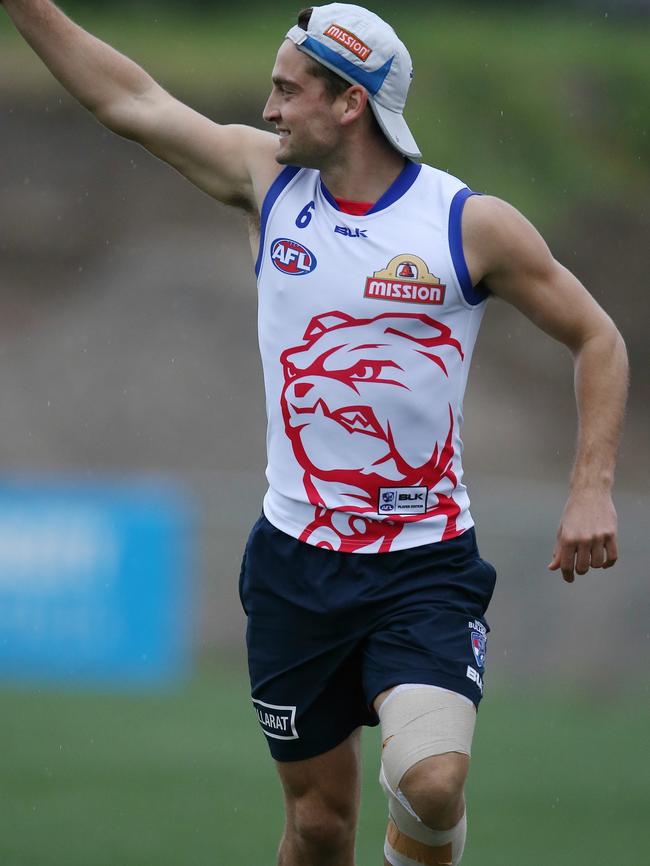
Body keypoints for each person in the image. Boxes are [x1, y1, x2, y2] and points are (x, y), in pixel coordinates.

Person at [2, 2, 628, 864]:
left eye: (288, 91)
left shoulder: (466, 224)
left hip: (424, 564)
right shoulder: (267, 182)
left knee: (432, 781)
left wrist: (590, 486)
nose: (267, 109)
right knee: (320, 824)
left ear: (351, 105)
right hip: (296, 567)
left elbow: (599, 337)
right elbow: (130, 102)